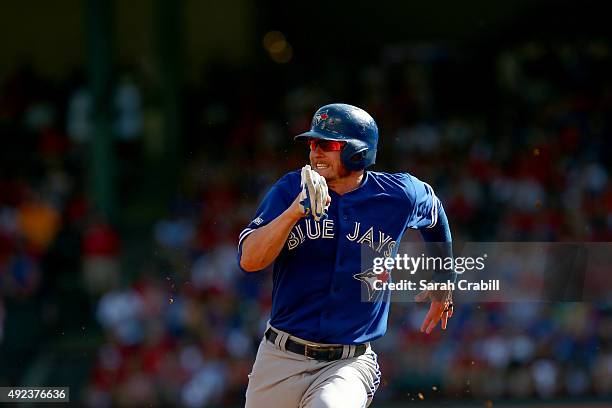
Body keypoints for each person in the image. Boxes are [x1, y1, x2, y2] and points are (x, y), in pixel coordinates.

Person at [237, 103, 455, 408]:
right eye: (312, 144)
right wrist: (292, 213)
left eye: (326, 144)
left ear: (358, 151)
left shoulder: (398, 195)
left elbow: (435, 213)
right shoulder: (290, 189)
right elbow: (249, 260)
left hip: (347, 364)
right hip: (280, 357)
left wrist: (444, 279)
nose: (315, 152)